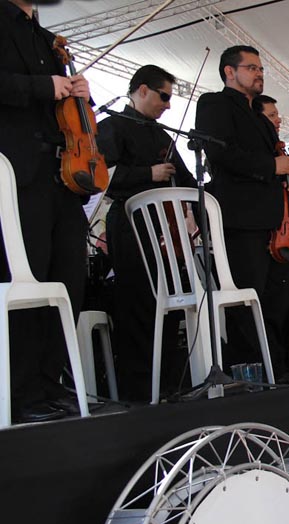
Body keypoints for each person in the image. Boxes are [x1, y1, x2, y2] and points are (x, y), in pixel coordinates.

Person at [0, 0, 95, 422]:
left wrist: (80, 93)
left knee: (69, 279)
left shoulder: (47, 38)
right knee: (27, 279)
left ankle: (51, 383)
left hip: (63, 176)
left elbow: (67, 107)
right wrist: (44, 86)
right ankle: (22, 394)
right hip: (20, 174)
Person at [195, 45, 289, 383]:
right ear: (229, 72)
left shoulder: (259, 117)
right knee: (248, 297)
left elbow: (277, 163)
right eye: (251, 68)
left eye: (261, 69)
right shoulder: (214, 104)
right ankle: (254, 373)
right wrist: (271, 166)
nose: (259, 73)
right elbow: (220, 152)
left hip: (274, 221)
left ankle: (277, 368)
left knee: (276, 299)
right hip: (241, 217)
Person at [96, 64, 196, 401]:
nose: (168, 105)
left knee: (167, 305)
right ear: (142, 90)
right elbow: (103, 177)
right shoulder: (111, 125)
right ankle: (139, 389)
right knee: (136, 303)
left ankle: (166, 383)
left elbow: (185, 179)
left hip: (166, 229)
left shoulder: (162, 135)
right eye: (163, 96)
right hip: (130, 225)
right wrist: (147, 173)